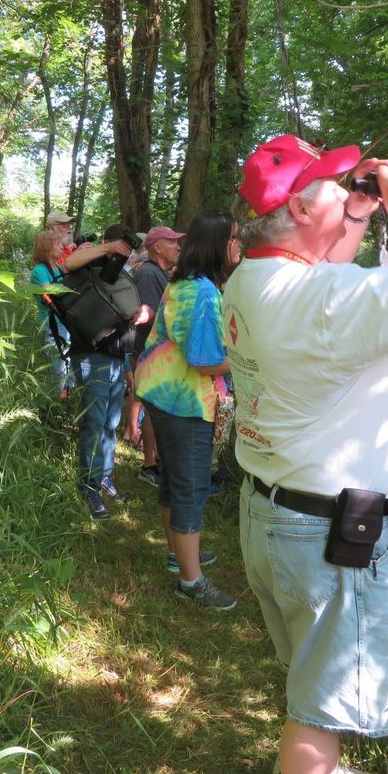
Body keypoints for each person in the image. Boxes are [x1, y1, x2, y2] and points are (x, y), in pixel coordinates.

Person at [223, 135, 388, 774]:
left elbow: (325, 270)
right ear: (306, 212)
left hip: (276, 517)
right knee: (318, 720)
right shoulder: (319, 302)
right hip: (332, 541)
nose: (349, 192)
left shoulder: (254, 279)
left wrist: (360, 214)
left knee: (312, 686)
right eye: (336, 185)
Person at [135, 211, 242, 610]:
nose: (238, 245)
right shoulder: (201, 292)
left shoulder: (188, 282)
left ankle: (177, 555)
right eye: (233, 238)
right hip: (184, 400)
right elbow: (204, 360)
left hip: (164, 393)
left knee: (174, 480)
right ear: (217, 244)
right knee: (191, 486)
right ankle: (191, 579)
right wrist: (252, 356)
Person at [64, 223, 139, 520]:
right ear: (108, 241)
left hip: (116, 358)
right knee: (94, 425)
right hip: (91, 358)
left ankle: (103, 477)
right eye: (120, 245)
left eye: (127, 248)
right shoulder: (90, 259)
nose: (124, 252)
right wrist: (106, 249)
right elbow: (67, 263)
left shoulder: (121, 272)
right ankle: (88, 487)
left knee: (110, 423)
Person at [127, 225, 184, 486]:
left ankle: (156, 458)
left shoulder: (159, 273)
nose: (177, 247)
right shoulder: (150, 273)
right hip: (148, 351)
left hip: (156, 352)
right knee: (152, 407)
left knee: (155, 406)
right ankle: (149, 464)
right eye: (172, 242)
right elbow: (147, 314)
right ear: (157, 246)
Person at [28, 230, 74, 398]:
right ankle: (56, 401)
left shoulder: (57, 268)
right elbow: (51, 292)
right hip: (50, 322)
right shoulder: (39, 271)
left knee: (68, 359)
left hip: (63, 321)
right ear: (46, 247)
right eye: (57, 244)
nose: (62, 246)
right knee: (58, 362)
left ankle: (68, 396)